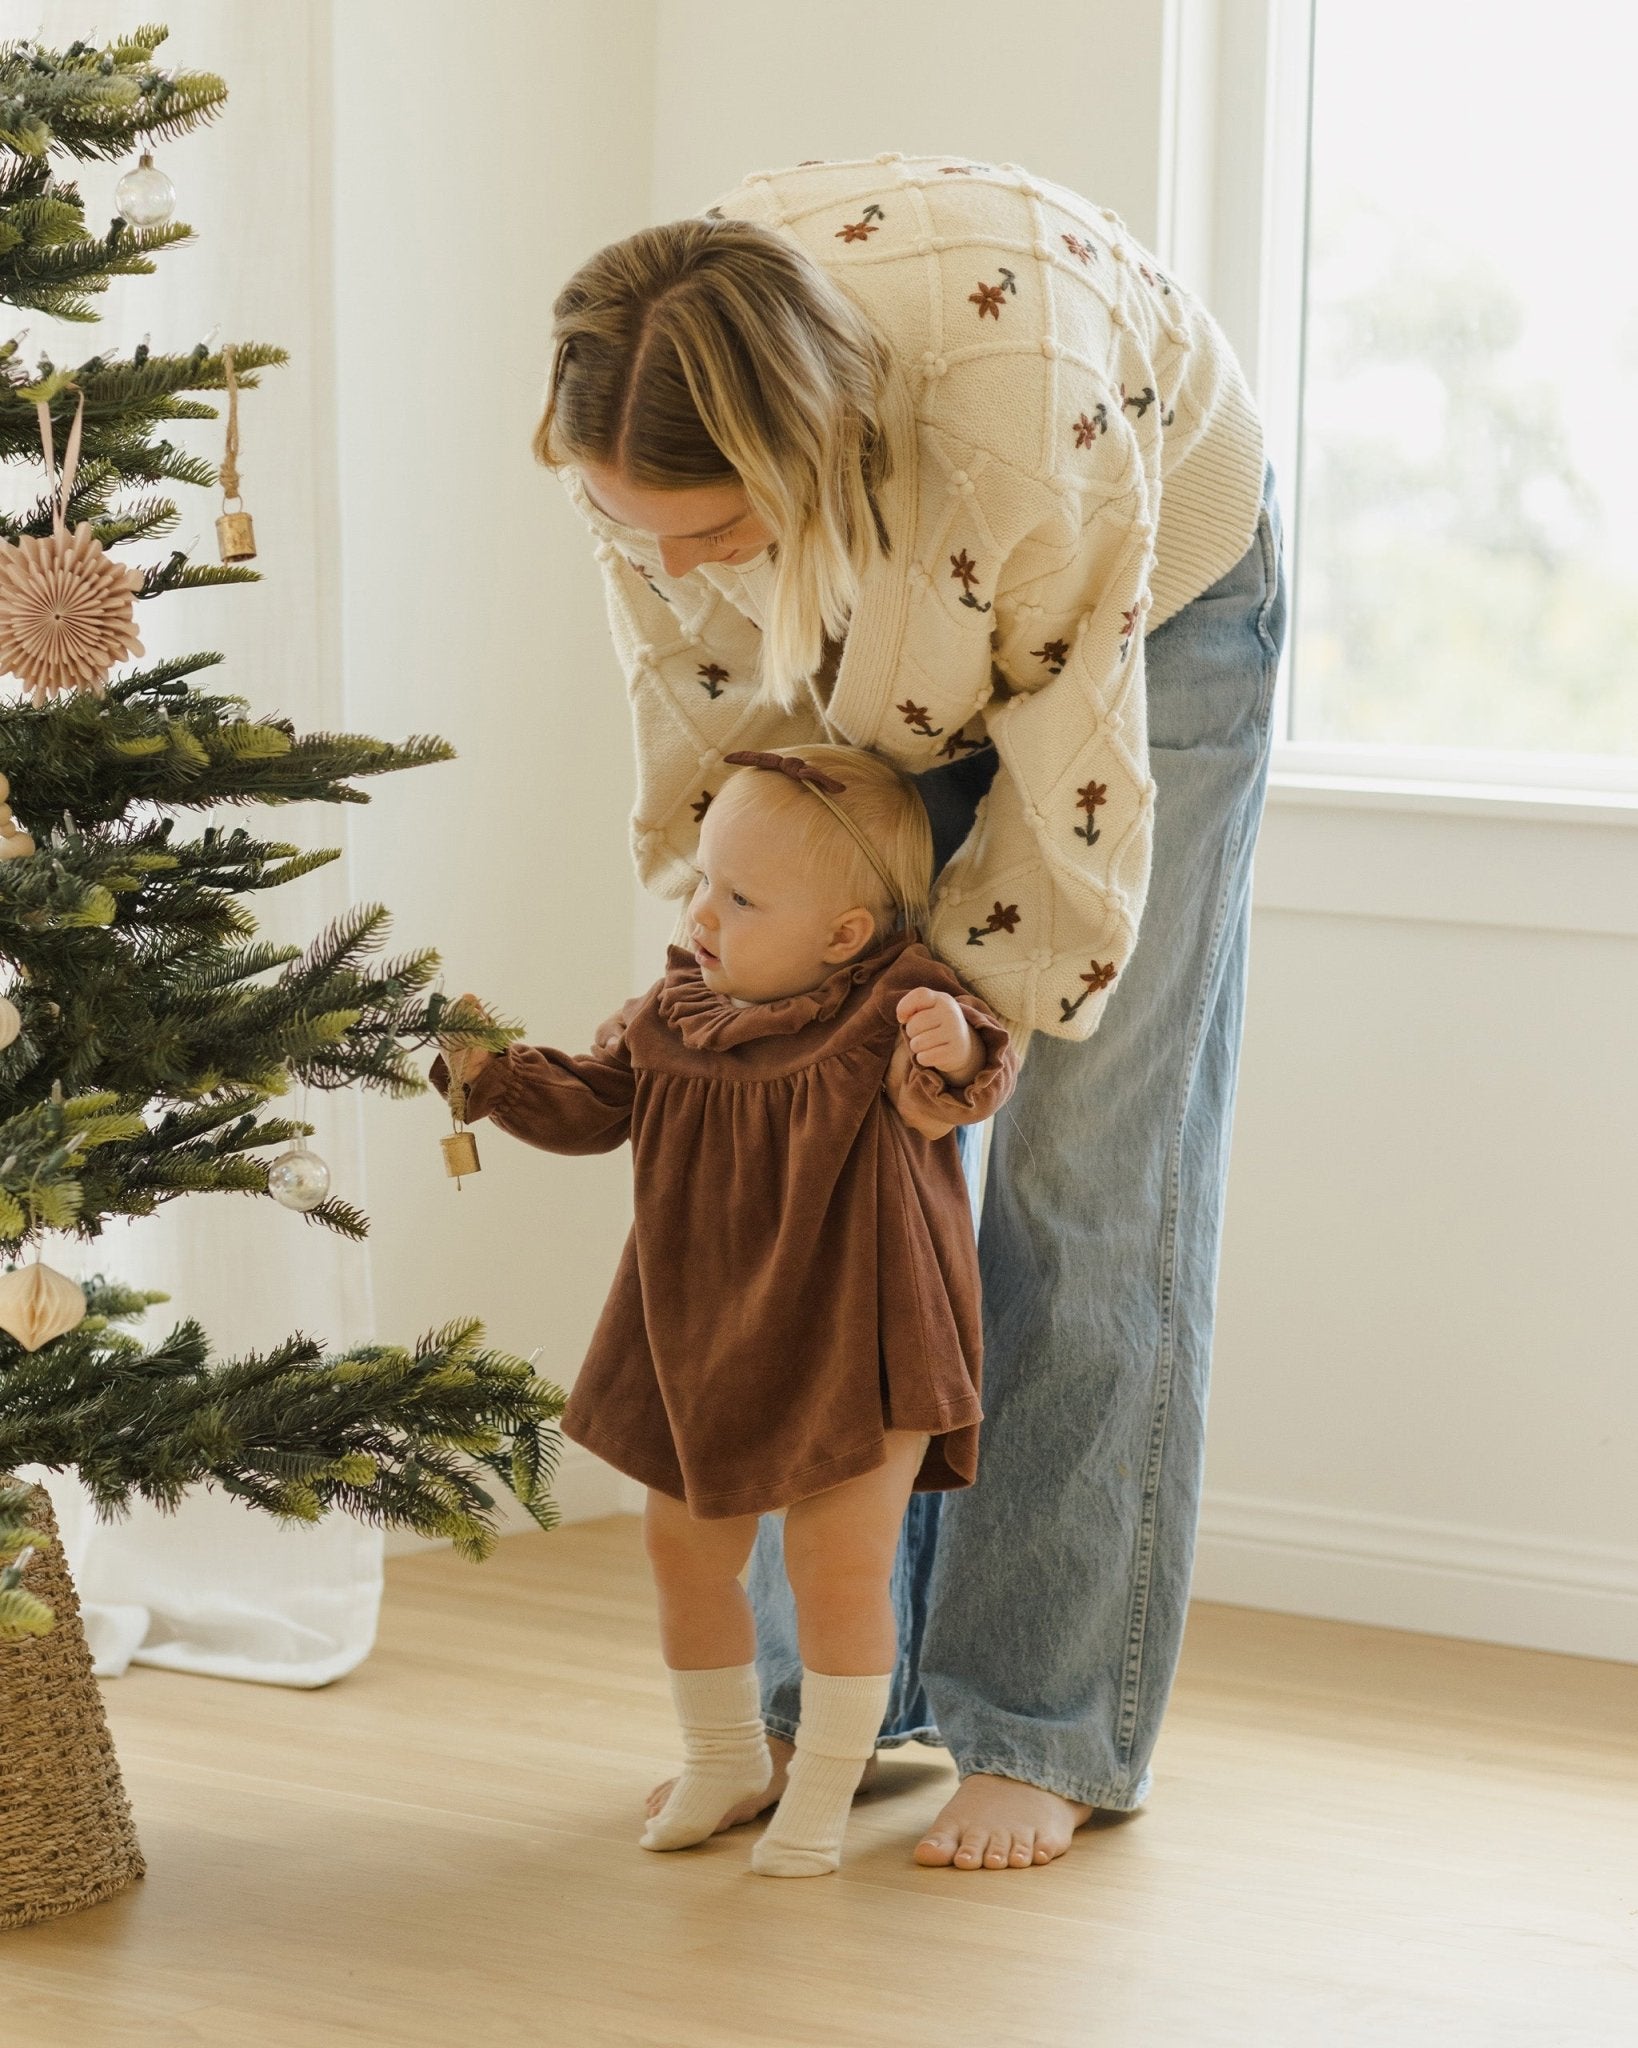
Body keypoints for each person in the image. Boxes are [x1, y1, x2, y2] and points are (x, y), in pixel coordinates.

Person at [536, 153, 1288, 1872]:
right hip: (887, 585)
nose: (677, 561)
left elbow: (1066, 801)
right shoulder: (654, 437)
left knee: (1076, 1182)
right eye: (641, 527)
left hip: (1139, 606)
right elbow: (700, 683)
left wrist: (972, 1036)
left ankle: (1044, 1717)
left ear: (796, 462)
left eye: (710, 529)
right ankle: (847, 1699)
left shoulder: (1021, 444)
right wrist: (728, 934)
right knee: (829, 1164)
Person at [434, 745, 1016, 1876]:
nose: (703, 912)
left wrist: (958, 1045)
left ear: (845, 934)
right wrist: (495, 1074)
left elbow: (959, 1085)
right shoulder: (675, 1010)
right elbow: (594, 1101)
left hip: (862, 1331)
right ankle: (722, 1751)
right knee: (681, 1543)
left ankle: (827, 1783)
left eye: (741, 898)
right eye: (705, 880)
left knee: (835, 1561)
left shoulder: (894, 1004)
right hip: (704, 1326)